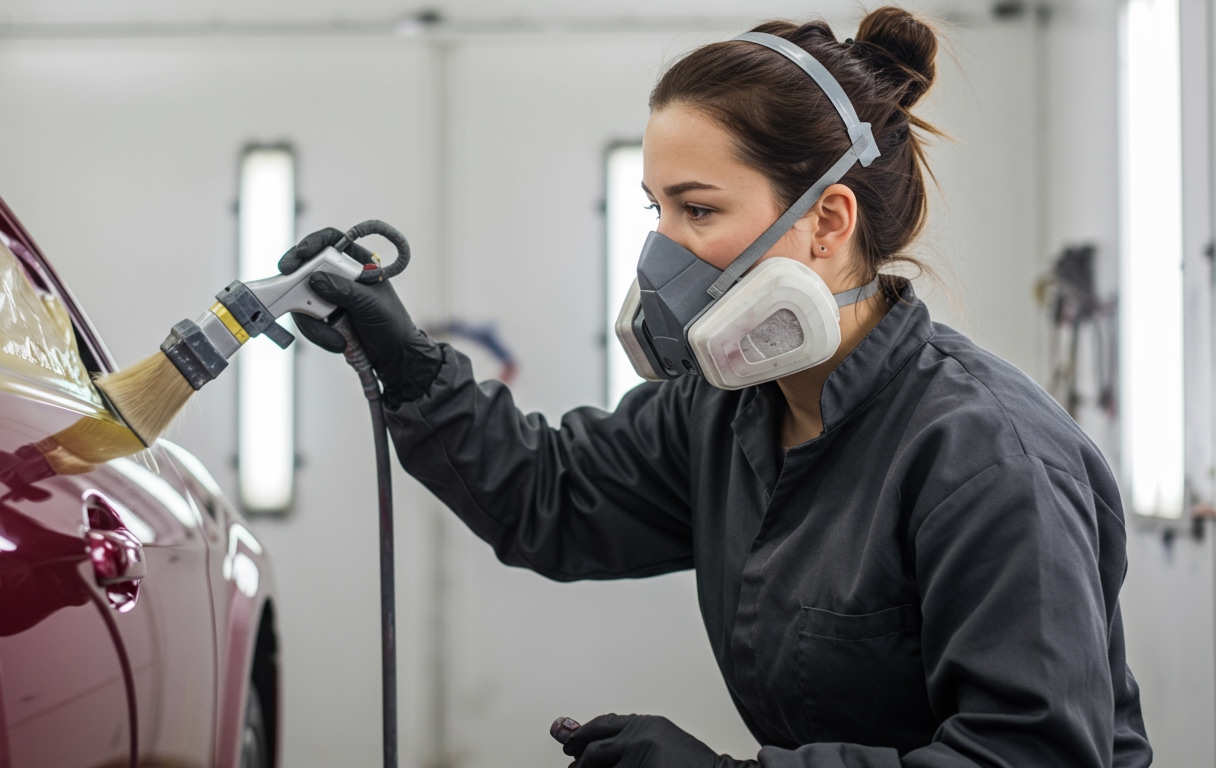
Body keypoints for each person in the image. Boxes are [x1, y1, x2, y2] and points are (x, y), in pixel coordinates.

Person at [281, 7, 1152, 767]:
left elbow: (1027, 752)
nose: (662, 250)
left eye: (698, 210)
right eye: (655, 208)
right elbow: (552, 494)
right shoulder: (730, 409)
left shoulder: (988, 457)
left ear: (827, 220)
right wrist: (407, 363)